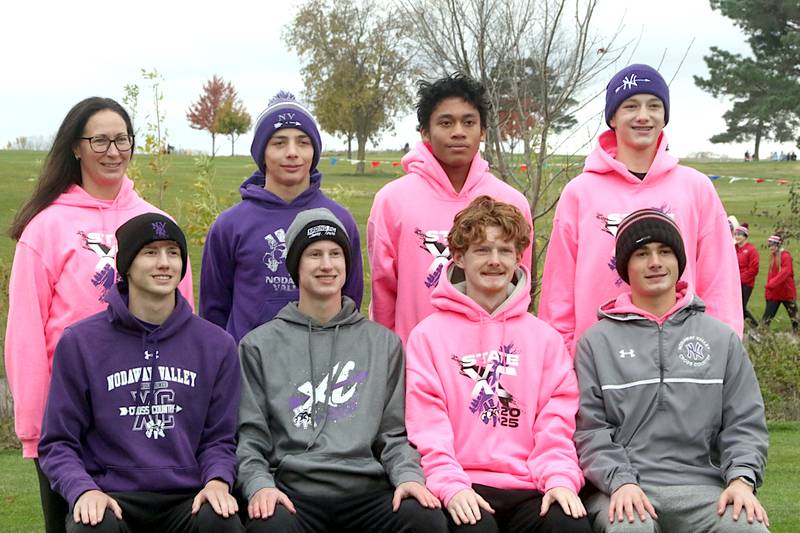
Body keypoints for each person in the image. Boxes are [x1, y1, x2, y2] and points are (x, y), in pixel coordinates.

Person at [4, 97, 194, 533]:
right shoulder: (46, 229)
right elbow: (26, 334)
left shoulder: (158, 225)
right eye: (100, 140)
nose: (113, 151)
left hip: (143, 407)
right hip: (68, 418)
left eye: (122, 139)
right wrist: (34, 428)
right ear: (75, 147)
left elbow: (187, 329)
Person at [236, 208, 447, 533]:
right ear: (295, 265)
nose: (326, 264)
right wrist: (259, 484)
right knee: (268, 525)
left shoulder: (384, 345)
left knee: (425, 518)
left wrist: (408, 477)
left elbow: (393, 435)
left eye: (335, 254)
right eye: (314, 254)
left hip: (368, 490)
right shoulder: (258, 346)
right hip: (294, 490)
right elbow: (250, 437)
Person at [38, 213, 243, 533]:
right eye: (151, 252)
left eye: (173, 253)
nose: (165, 263)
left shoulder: (217, 345)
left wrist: (217, 481)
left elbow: (219, 438)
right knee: (91, 526)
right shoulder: (80, 343)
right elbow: (58, 442)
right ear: (126, 266)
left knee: (220, 520)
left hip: (186, 497)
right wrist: (84, 490)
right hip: (112, 496)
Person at [574, 209, 769, 533]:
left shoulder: (720, 339)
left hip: (706, 489)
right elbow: (590, 431)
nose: (655, 262)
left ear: (679, 261)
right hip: (623, 488)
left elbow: (744, 423)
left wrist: (741, 480)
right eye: (642, 254)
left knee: (747, 526)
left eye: (665, 251)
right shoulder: (596, 343)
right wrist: (620, 481)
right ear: (625, 267)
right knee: (630, 527)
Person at [405, 196, 592, 533]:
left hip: (529, 485)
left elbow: (556, 425)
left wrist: (560, 480)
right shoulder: (427, 337)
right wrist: (451, 486)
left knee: (570, 525)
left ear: (518, 256)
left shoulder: (544, 339)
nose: (495, 261)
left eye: (505, 250)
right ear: (460, 256)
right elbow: (428, 428)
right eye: (482, 250)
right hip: (463, 481)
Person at [538, 64, 742, 356]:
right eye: (631, 106)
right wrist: (563, 362)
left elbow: (720, 281)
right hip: (600, 363)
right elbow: (558, 294)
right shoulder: (580, 193)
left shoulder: (695, 188)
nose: (643, 116)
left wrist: (722, 355)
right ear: (612, 117)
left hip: (681, 360)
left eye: (654, 106)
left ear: (665, 116)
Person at [368, 73, 533, 345]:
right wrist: (388, 360)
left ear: (482, 132)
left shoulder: (512, 202)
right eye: (446, 122)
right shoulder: (392, 201)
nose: (458, 131)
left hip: (492, 361)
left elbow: (520, 289)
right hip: (417, 365)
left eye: (469, 122)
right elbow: (383, 292)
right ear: (424, 132)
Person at [200, 91, 363, 344]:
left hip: (322, 363)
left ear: (314, 151)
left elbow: (350, 301)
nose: (292, 152)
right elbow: (213, 311)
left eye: (302, 142)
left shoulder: (338, 220)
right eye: (279, 143)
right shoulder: (230, 225)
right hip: (250, 370)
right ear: (261, 152)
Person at [761, 234, 798, 333]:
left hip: (787, 293)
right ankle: (759, 335)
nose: (771, 247)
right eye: (770, 245)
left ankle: (797, 335)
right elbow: (771, 275)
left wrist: (771, 284)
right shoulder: (773, 256)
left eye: (773, 245)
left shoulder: (786, 256)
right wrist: (768, 292)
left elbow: (785, 273)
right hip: (775, 293)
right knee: (767, 317)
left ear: (778, 245)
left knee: (795, 319)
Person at [734, 224, 759, 327]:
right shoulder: (733, 248)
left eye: (740, 234)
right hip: (735, 283)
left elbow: (754, 269)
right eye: (736, 234)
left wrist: (739, 279)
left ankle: (755, 326)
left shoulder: (751, 250)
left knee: (741, 308)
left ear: (745, 236)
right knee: (736, 307)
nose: (737, 236)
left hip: (746, 284)